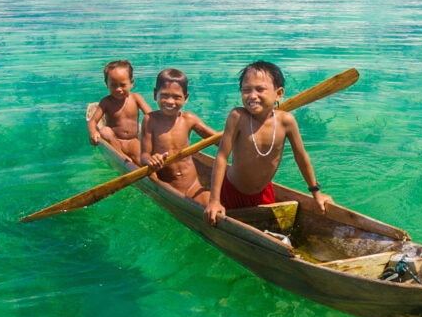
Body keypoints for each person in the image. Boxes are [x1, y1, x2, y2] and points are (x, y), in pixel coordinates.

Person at [205, 60, 332, 226]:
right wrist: (214, 200)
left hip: (264, 192)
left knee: (270, 231)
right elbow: (222, 157)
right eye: (246, 90)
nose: (252, 95)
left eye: (260, 89)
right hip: (232, 191)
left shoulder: (286, 121)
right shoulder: (238, 117)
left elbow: (301, 157)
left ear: (278, 94)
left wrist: (316, 192)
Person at [139, 68, 219, 200]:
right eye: (164, 95)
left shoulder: (189, 119)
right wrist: (151, 160)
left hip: (193, 185)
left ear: (185, 98)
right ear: (155, 94)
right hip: (167, 185)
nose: (170, 102)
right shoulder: (150, 120)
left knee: (209, 204)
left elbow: (218, 140)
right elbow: (144, 155)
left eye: (177, 97)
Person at [87, 59, 151, 162]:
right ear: (106, 84)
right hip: (115, 141)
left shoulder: (136, 98)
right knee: (105, 131)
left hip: (132, 141)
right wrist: (93, 132)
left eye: (123, 85)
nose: (118, 89)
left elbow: (150, 115)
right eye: (113, 85)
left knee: (144, 160)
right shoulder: (106, 102)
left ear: (131, 83)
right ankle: (121, 156)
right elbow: (93, 121)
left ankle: (155, 177)